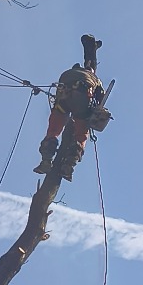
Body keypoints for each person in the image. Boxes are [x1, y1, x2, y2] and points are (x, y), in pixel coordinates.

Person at [34, 34, 111, 181]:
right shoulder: (92, 77)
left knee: (53, 131)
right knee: (81, 134)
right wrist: (99, 111)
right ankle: (69, 165)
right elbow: (100, 96)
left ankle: (45, 160)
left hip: (62, 99)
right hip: (81, 98)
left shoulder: (68, 73)